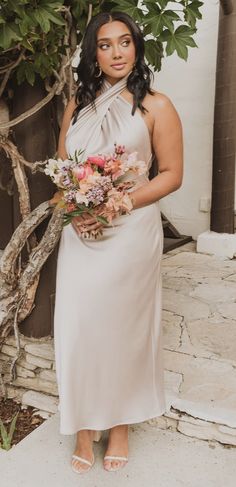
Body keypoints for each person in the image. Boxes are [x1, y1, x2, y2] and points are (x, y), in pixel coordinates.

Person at [52, 11, 183, 475]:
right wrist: (75, 211)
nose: (116, 53)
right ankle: (84, 430)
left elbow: (171, 175)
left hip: (130, 235)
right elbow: (63, 176)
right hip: (82, 235)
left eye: (124, 42)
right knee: (80, 327)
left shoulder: (158, 106)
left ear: (137, 48)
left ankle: (121, 426)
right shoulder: (76, 107)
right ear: (94, 53)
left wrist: (118, 205)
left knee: (123, 329)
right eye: (105, 45)